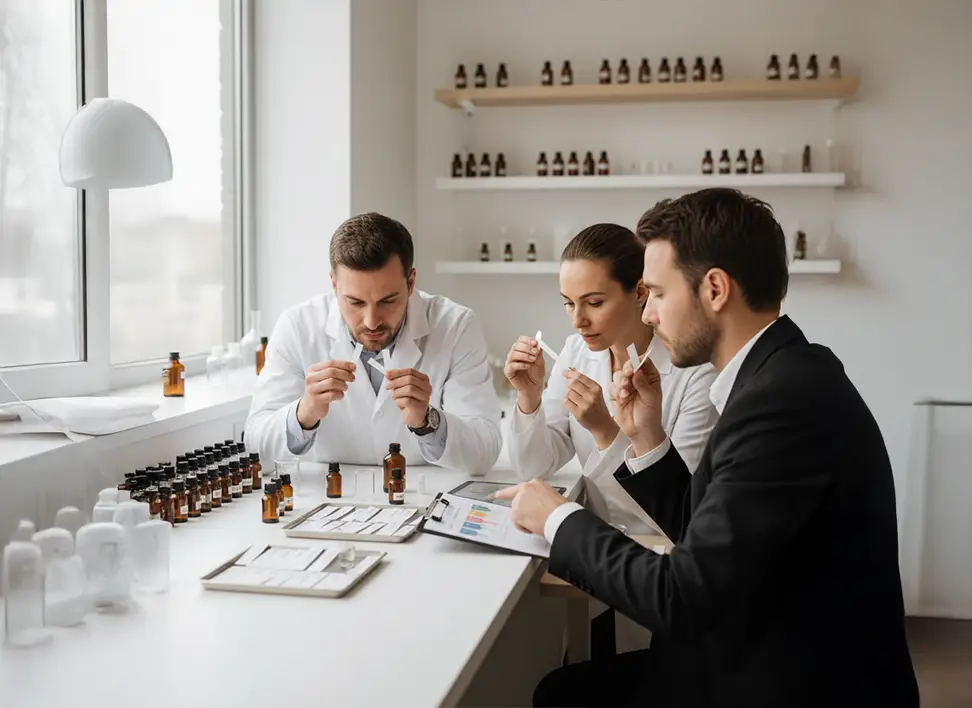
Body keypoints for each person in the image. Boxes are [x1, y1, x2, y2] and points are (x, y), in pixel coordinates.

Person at [495, 189, 918, 708]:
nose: (646, 314)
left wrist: (558, 517)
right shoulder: (782, 373)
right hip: (760, 648)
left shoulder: (781, 405)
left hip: (788, 680)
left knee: (560, 695)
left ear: (714, 288)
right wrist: (647, 437)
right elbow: (709, 530)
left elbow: (682, 597)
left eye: (655, 293)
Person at [245, 212, 502, 475]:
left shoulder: (455, 327)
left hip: (424, 496)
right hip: (327, 501)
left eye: (387, 301)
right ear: (334, 285)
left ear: (411, 282)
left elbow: (484, 452)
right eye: (355, 302)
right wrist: (304, 413)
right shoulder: (298, 327)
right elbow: (255, 451)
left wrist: (428, 422)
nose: (371, 322)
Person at [504, 223, 718, 535]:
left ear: (640, 292)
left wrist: (605, 430)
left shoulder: (696, 374)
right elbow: (533, 467)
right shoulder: (576, 351)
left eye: (594, 303)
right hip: (592, 541)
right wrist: (529, 398)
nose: (578, 320)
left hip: (661, 552)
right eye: (568, 302)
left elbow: (676, 511)